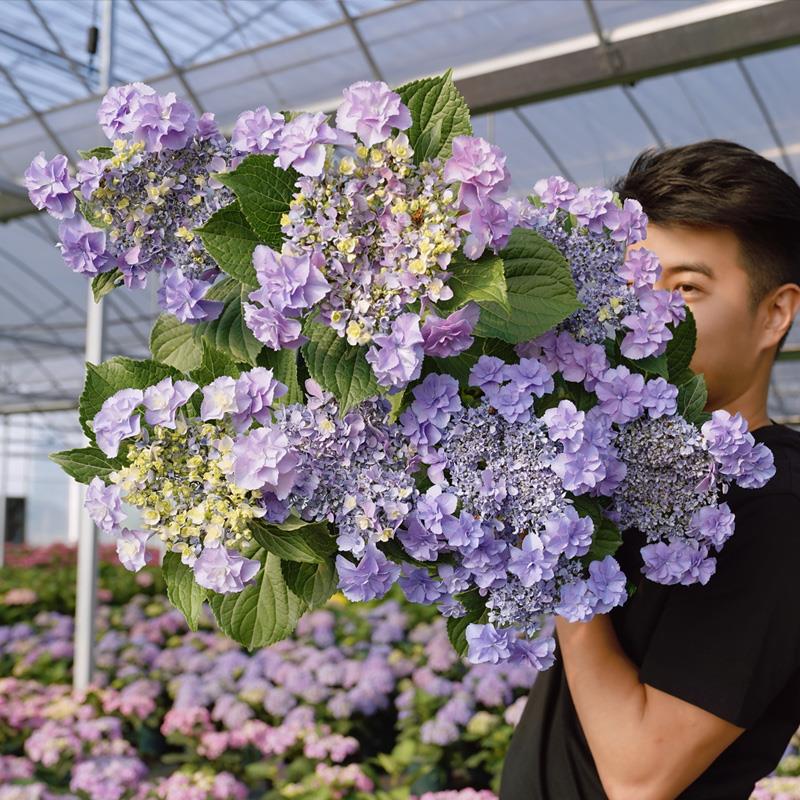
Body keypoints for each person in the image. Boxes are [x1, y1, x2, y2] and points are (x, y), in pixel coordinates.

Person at [499, 139, 800, 800]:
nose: (647, 317)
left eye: (685, 288)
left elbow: (640, 775)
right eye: (635, 284)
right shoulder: (622, 471)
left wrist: (561, 551)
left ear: (775, 313)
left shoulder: (779, 506)